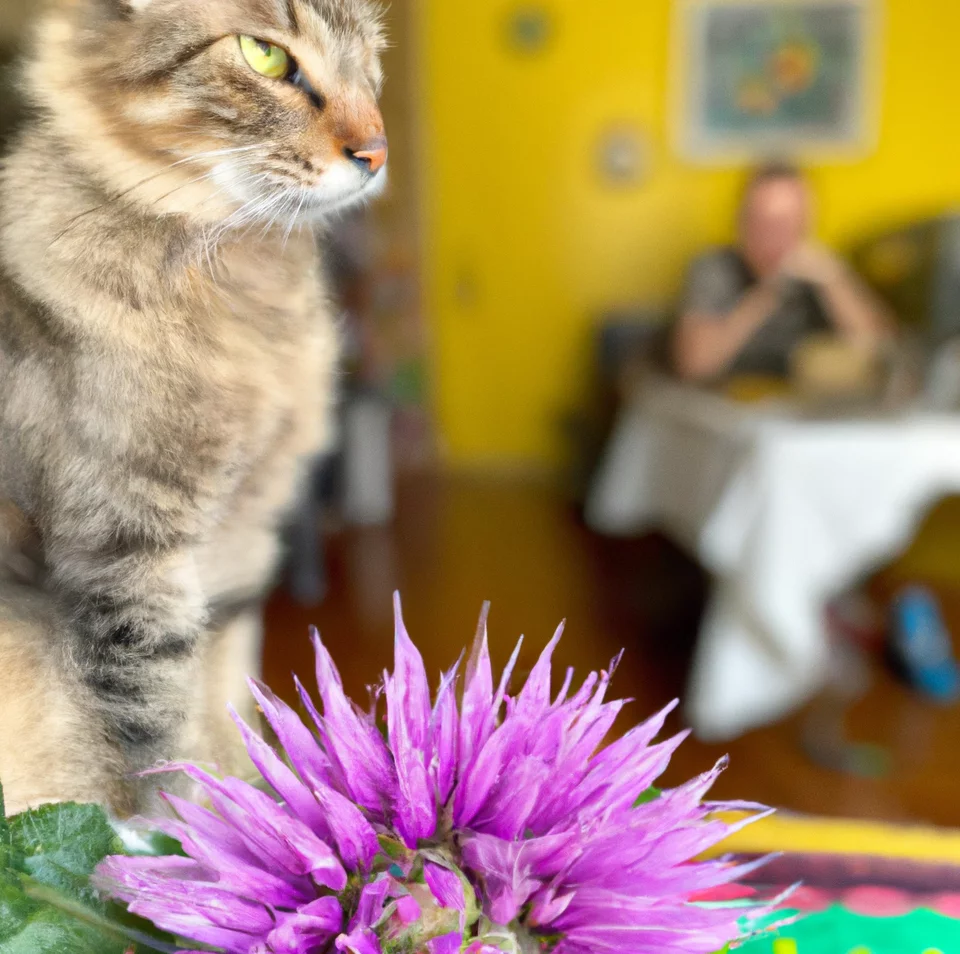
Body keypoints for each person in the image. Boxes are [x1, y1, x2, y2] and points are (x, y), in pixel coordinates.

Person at [673, 163, 892, 383]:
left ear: (806, 224)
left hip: (807, 408)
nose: (773, 236)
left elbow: (882, 354)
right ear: (740, 221)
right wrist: (766, 293)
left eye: (786, 224)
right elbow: (696, 366)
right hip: (726, 406)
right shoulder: (715, 269)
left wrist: (834, 281)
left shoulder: (823, 273)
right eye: (762, 222)